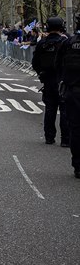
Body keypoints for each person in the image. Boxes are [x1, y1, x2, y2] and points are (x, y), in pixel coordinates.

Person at [32, 17, 69, 146]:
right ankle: (65, 139)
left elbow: (35, 62)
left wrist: (41, 74)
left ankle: (49, 137)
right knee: (64, 111)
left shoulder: (42, 43)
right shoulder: (65, 42)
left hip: (47, 80)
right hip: (63, 81)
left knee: (50, 109)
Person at [56, 13, 80, 179]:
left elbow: (58, 65)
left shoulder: (68, 43)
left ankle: (78, 165)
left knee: (76, 129)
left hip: (73, 91)